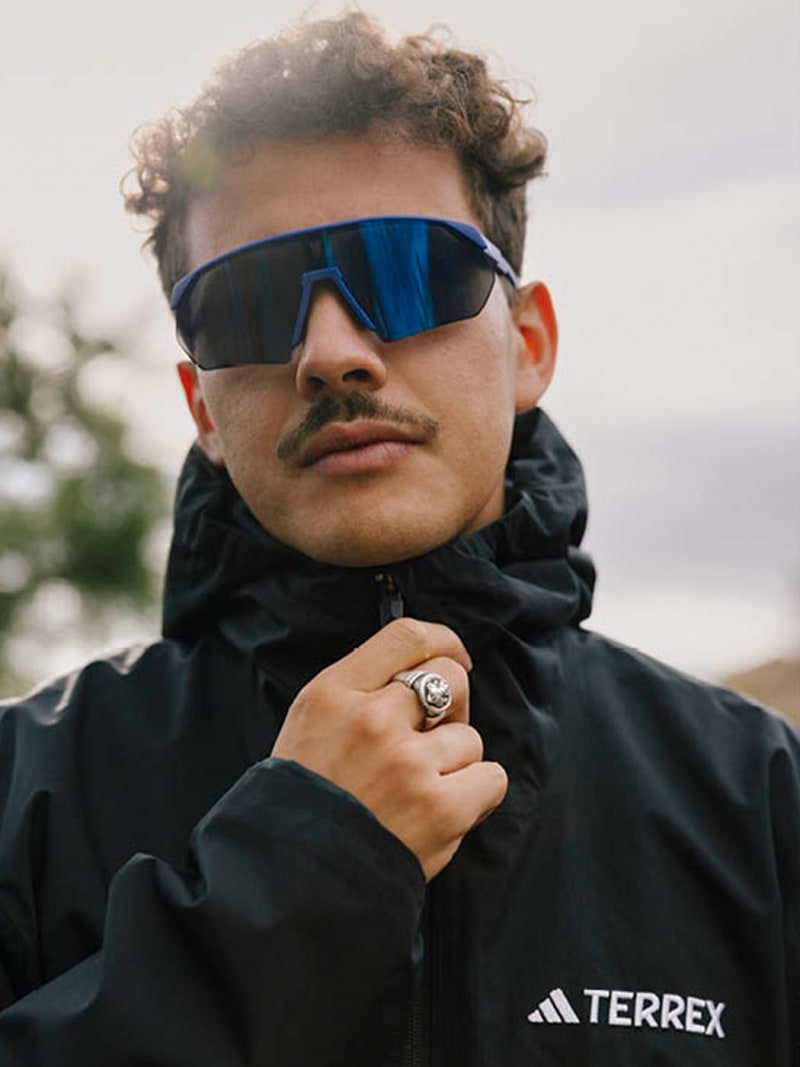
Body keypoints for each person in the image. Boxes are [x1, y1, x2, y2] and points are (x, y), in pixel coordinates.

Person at [0, 10, 797, 1065]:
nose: (331, 353)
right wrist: (276, 899)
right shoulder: (25, 794)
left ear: (526, 345)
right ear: (200, 405)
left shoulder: (756, 800)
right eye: (245, 302)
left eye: (407, 270)